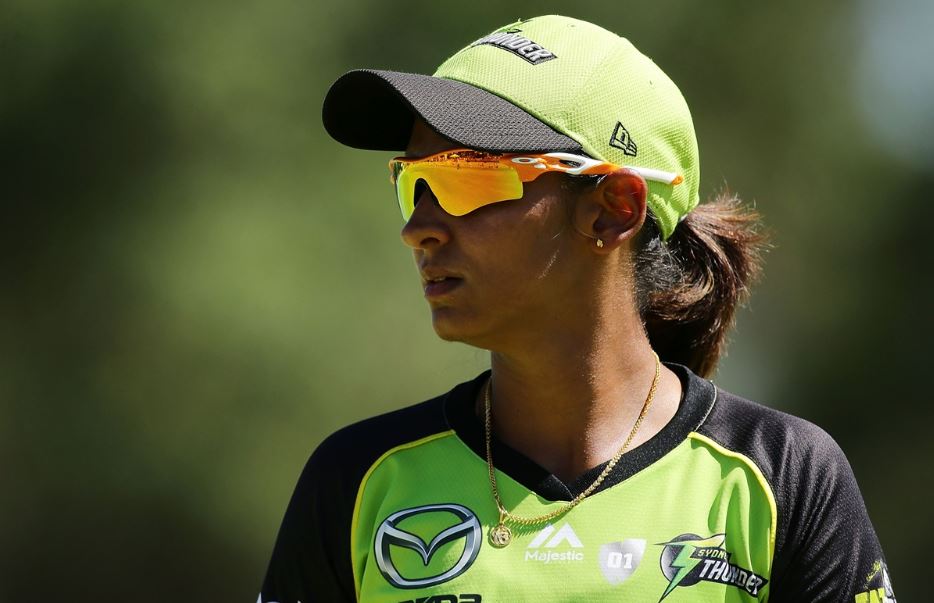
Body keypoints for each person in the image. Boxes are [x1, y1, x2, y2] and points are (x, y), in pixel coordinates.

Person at [259, 15, 895, 603]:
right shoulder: (357, 481)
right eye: (412, 183)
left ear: (614, 209)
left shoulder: (782, 476)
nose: (417, 228)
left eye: (464, 180)